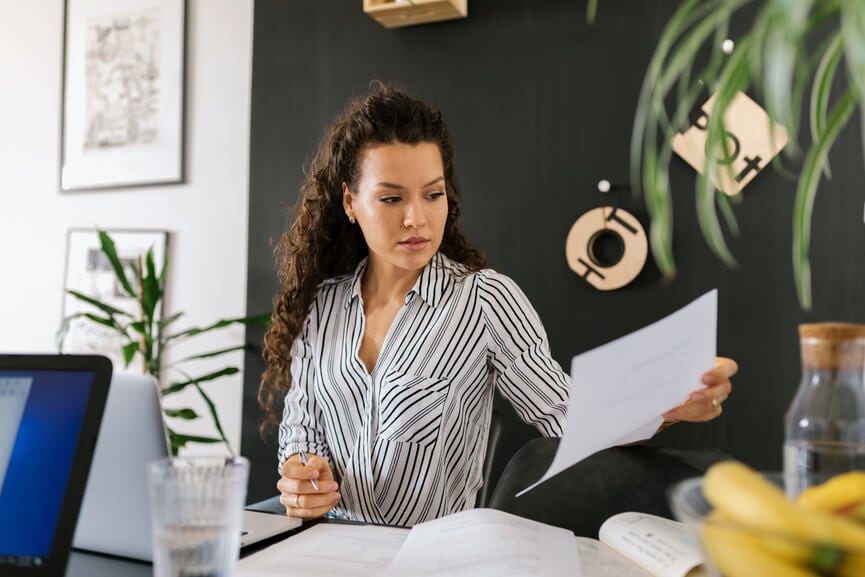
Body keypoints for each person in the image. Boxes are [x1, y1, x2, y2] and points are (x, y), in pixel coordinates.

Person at [258, 81, 737, 527]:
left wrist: (668, 404)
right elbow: (301, 429)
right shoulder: (323, 305)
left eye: (433, 194)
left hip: (436, 560)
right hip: (326, 553)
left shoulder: (484, 300)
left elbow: (570, 415)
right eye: (390, 198)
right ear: (349, 201)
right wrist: (301, 477)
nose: (416, 218)